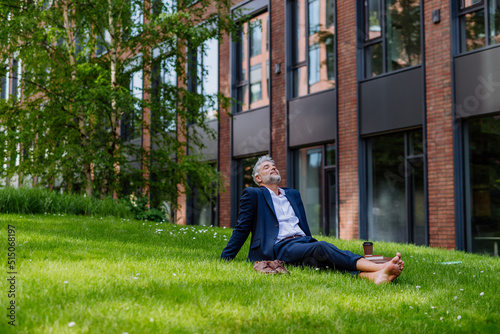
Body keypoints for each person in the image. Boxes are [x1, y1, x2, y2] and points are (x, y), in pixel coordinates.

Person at [220, 155, 404, 284]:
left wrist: (309, 243)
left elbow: (303, 225)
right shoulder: (253, 194)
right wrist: (224, 259)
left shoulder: (292, 194)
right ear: (259, 179)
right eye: (266, 167)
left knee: (323, 261)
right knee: (322, 248)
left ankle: (376, 277)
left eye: (273, 165)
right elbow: (241, 228)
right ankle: (379, 267)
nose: (273, 167)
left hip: (302, 242)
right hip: (279, 247)